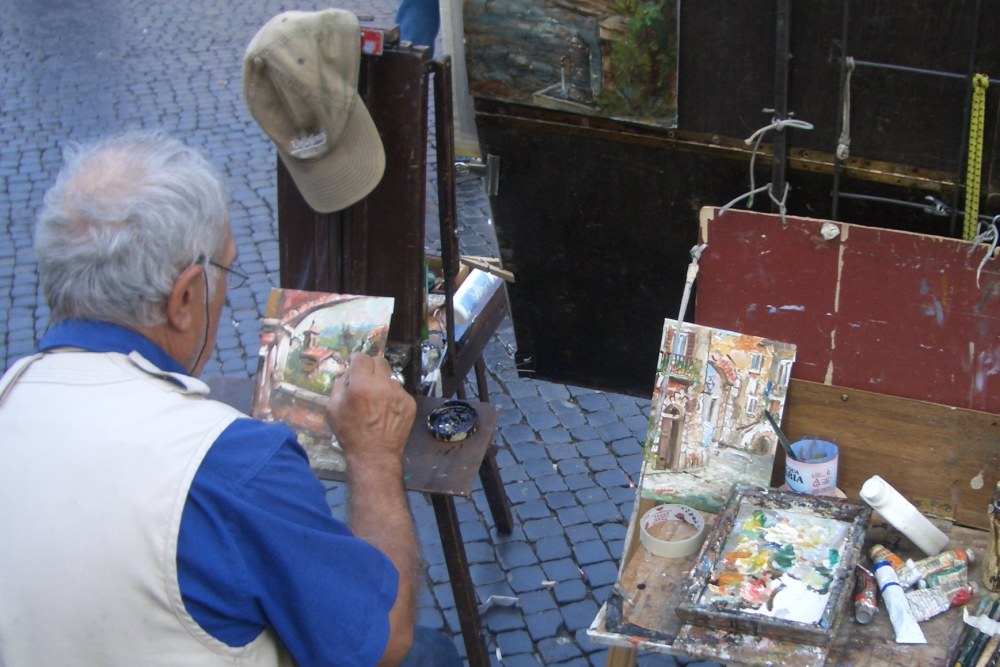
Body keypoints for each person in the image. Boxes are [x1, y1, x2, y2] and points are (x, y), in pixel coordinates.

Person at [0, 130, 462, 666]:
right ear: (185, 298)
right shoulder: (229, 464)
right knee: (426, 655)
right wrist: (374, 456)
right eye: (225, 269)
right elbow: (382, 640)